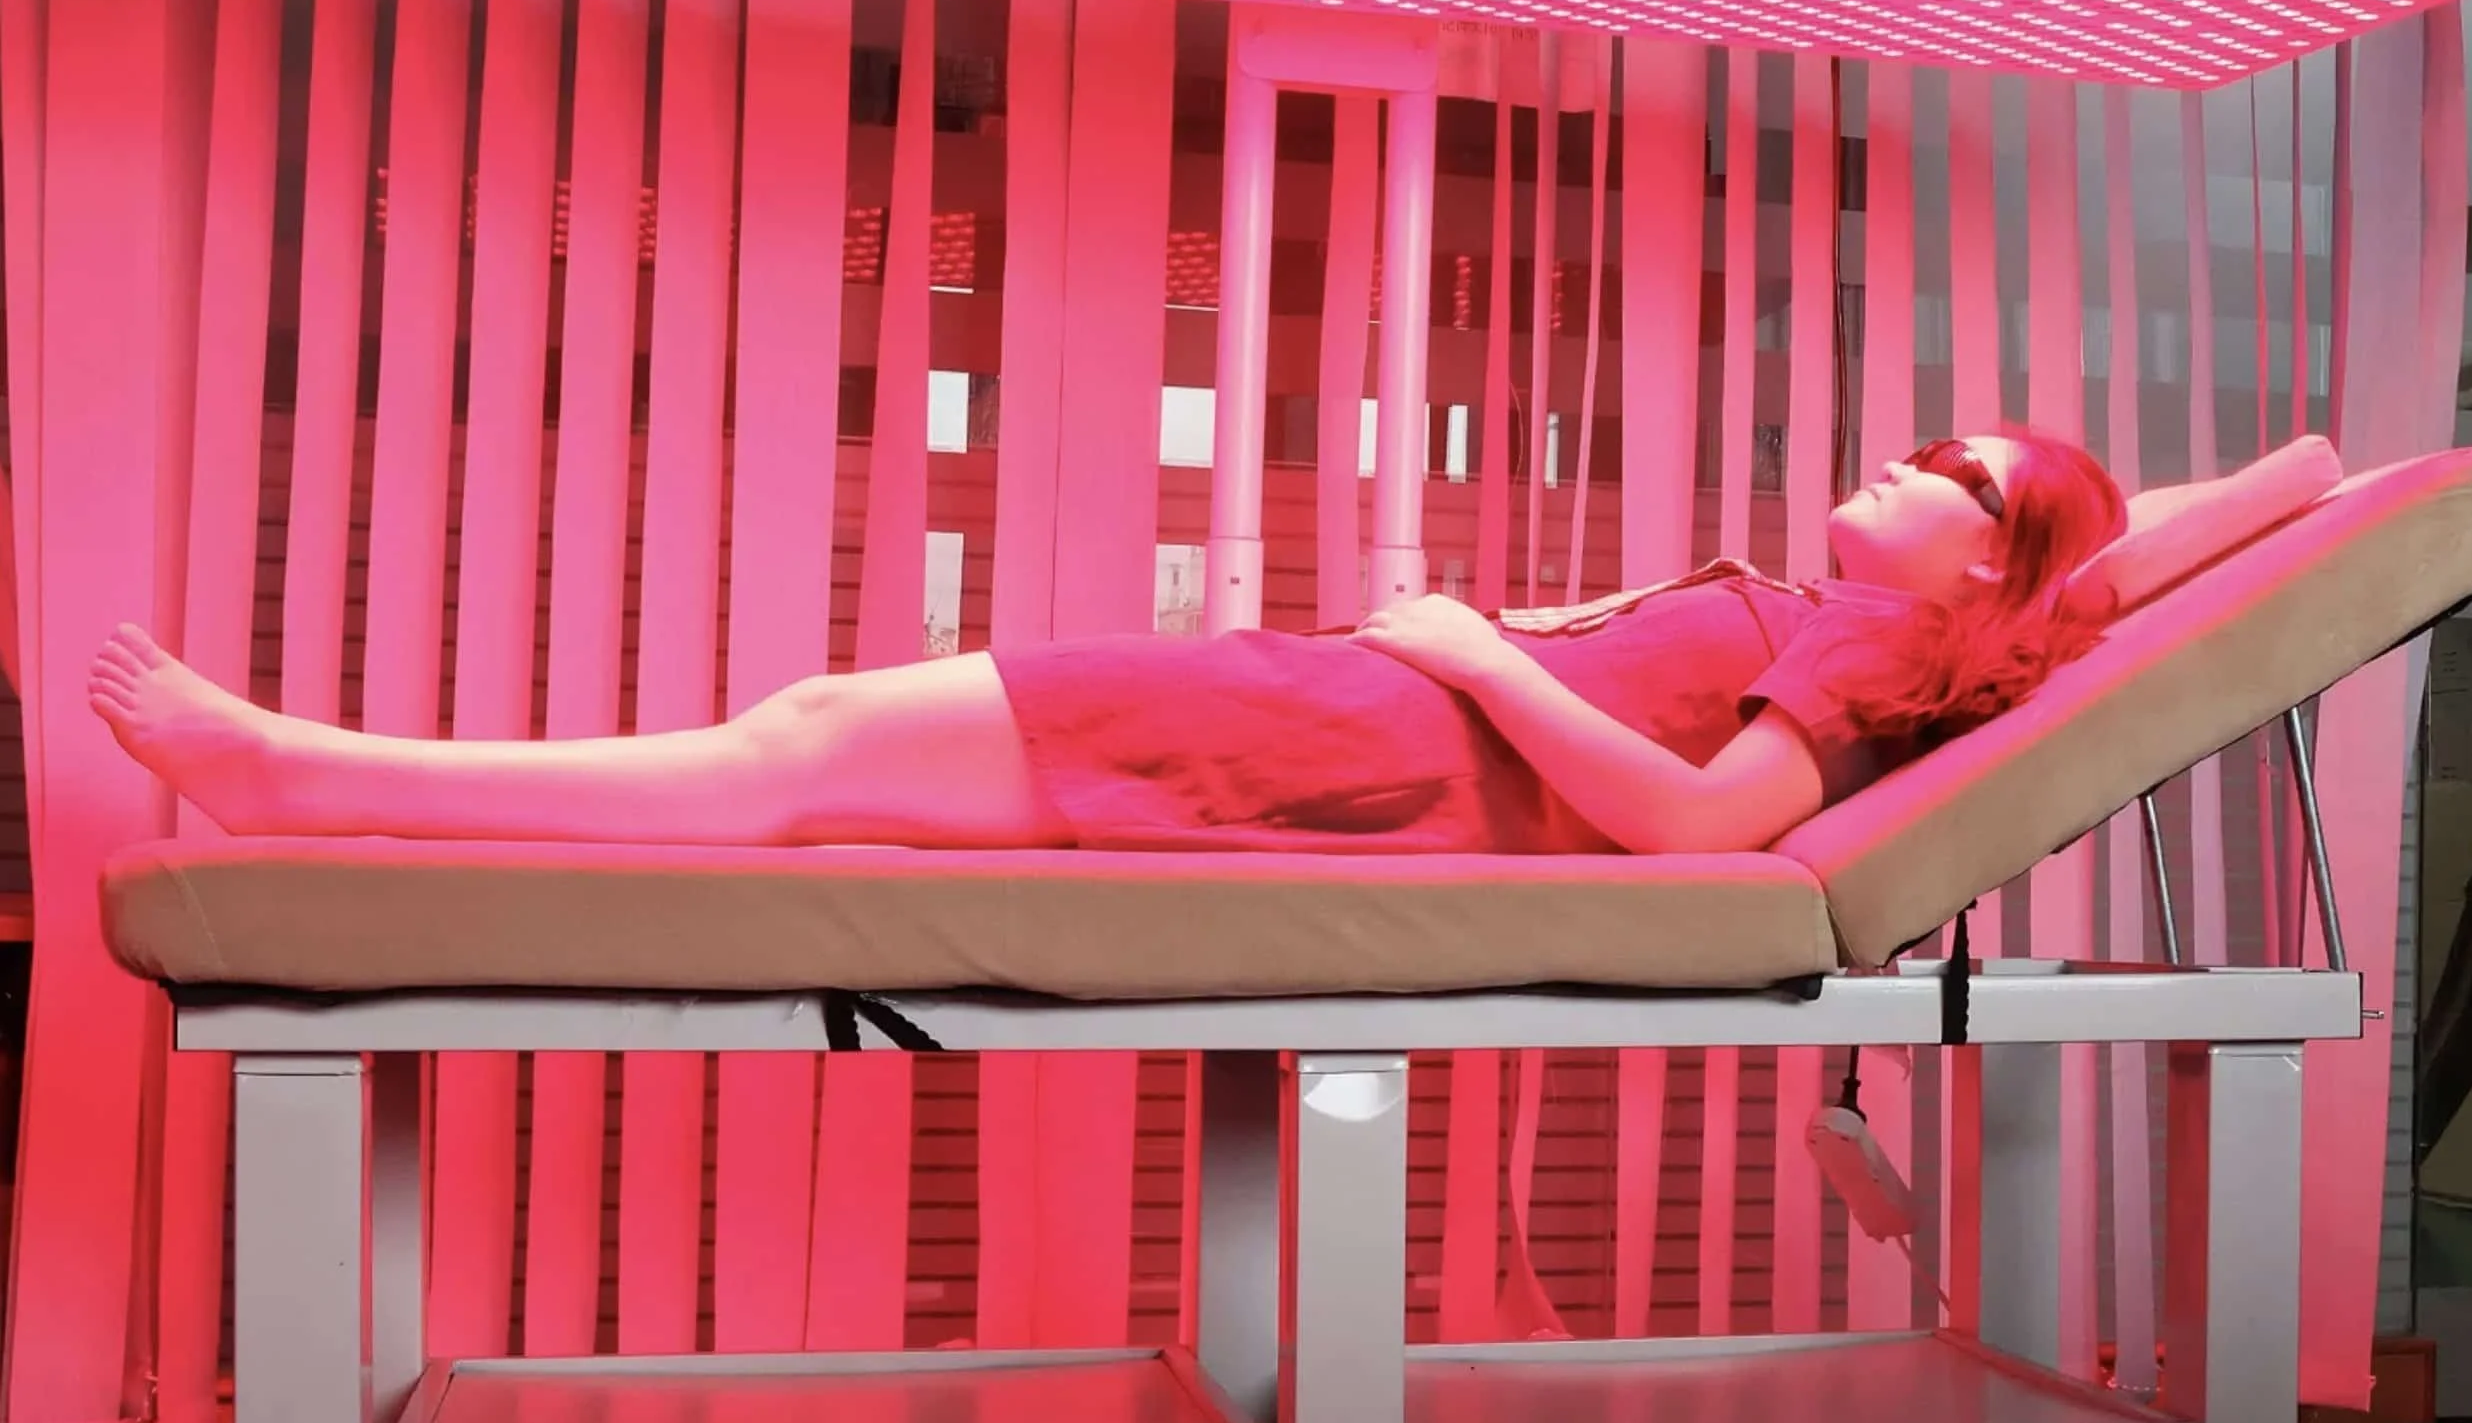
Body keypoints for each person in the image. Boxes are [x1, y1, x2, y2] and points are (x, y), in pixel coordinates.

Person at [88, 429, 2123, 859]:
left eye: (1954, 465)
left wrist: (1474, 655)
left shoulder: (1870, 648)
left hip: (1356, 731)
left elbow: (1695, 830)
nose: (1905, 452)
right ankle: (301, 775)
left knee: (805, 748)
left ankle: (293, 775)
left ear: (1989, 565)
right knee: (809, 747)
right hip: (1345, 710)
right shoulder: (1842, 615)